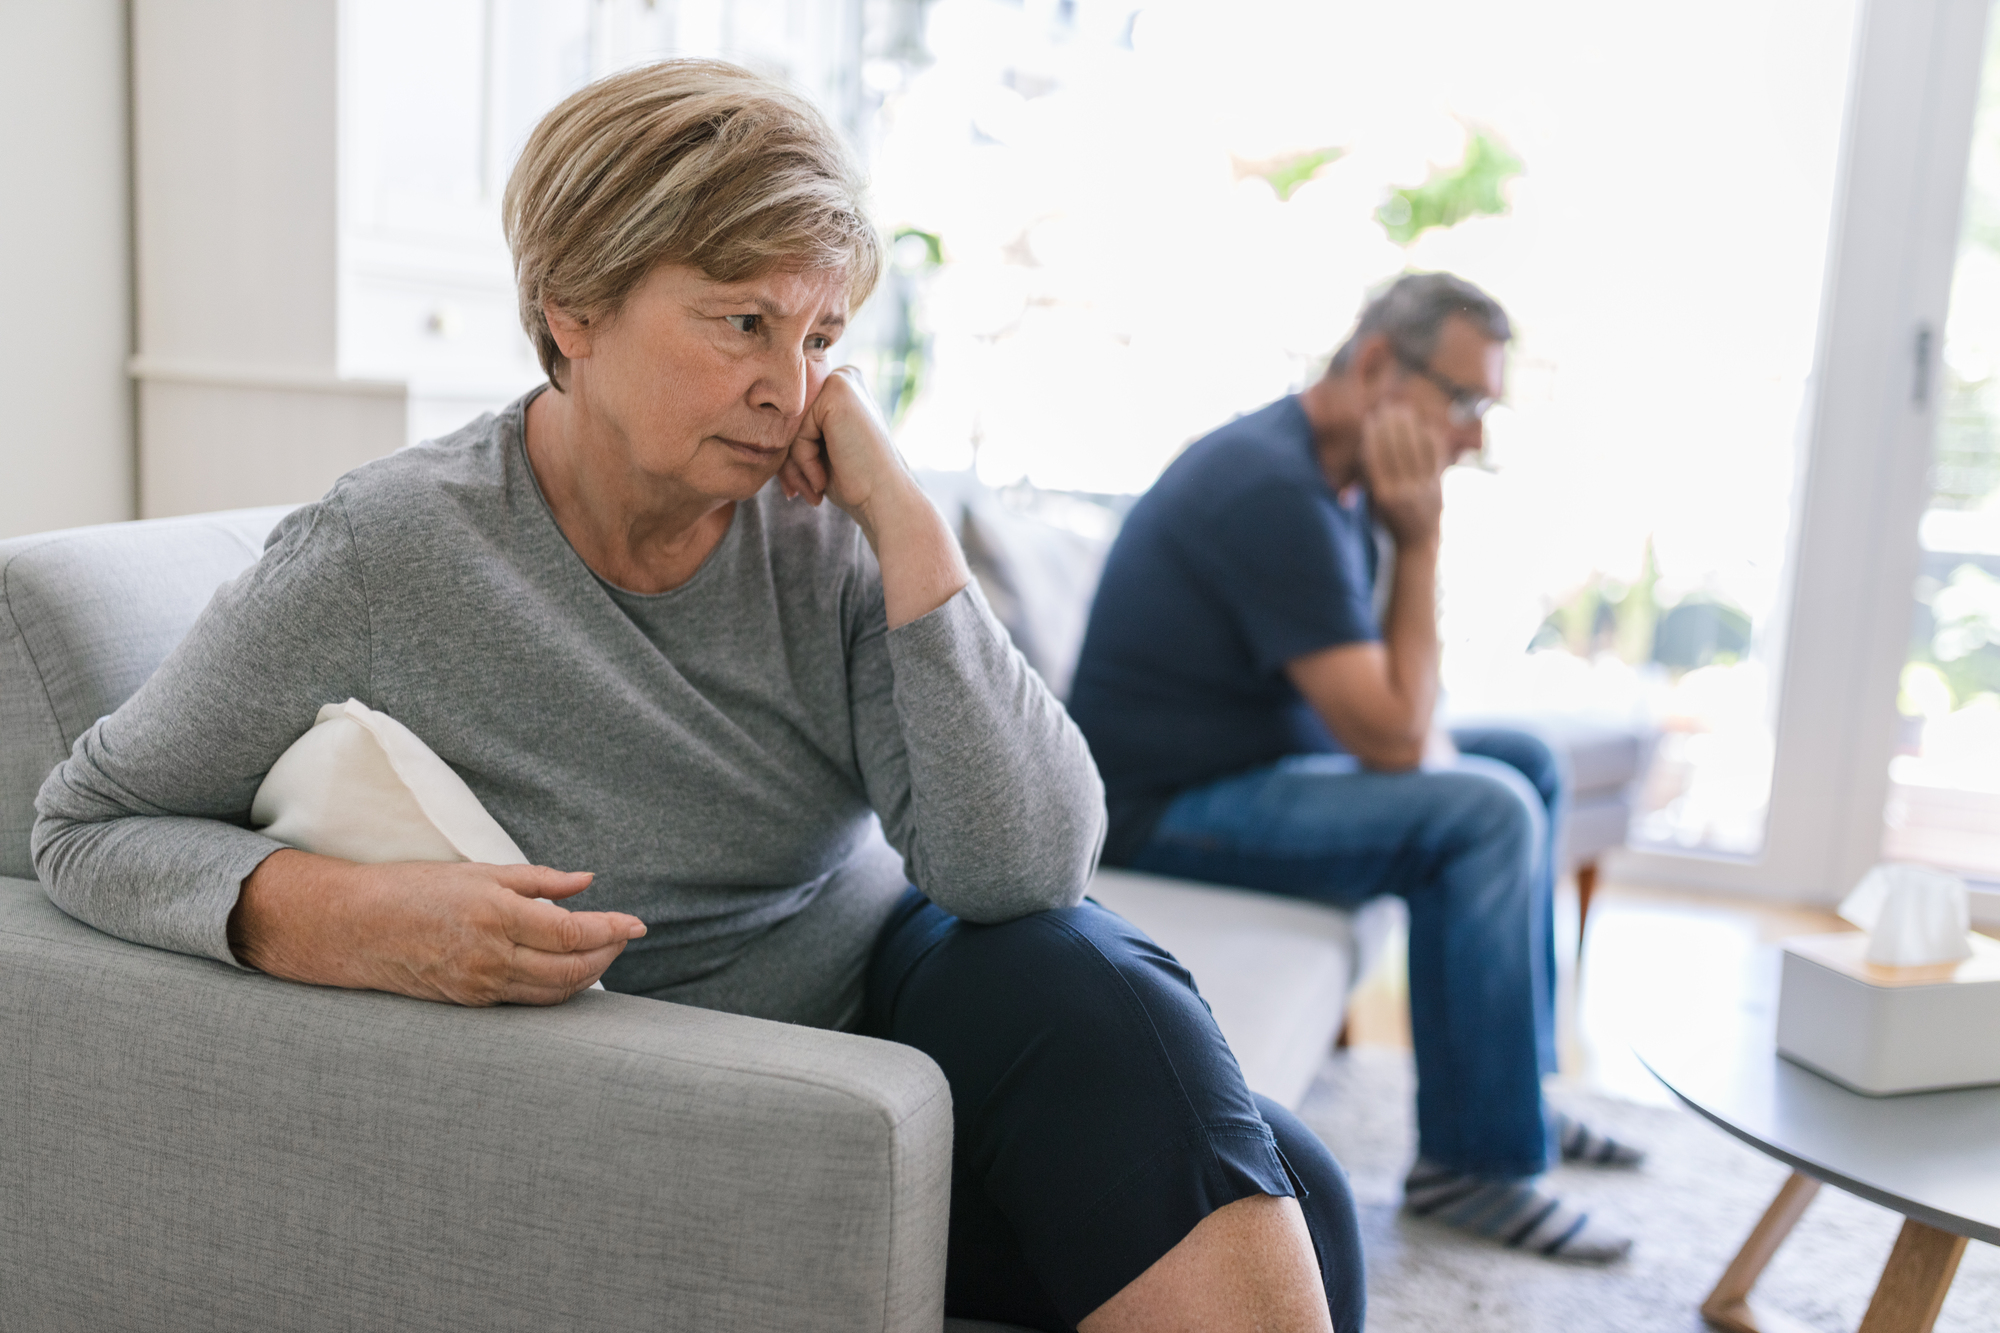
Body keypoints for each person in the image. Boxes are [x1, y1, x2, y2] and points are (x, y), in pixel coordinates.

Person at [32, 61, 1363, 1333]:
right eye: (743, 322)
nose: (788, 389)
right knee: (1241, 1166)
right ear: (574, 309)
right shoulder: (386, 557)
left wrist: (903, 519)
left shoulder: (822, 522)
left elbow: (1022, 867)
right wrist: (343, 916)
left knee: (1269, 1154)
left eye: (821, 335)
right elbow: (85, 824)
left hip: (901, 994)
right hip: (709, 1087)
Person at [1068, 272, 1643, 1265]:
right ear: (1375, 362)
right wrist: (1417, 541)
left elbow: (1399, 721)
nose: (1471, 437)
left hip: (1251, 766)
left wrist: (1393, 528)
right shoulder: (1269, 488)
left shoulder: (1330, 481)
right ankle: (1475, 1165)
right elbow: (1389, 736)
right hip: (1157, 812)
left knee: (1522, 767)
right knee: (1488, 812)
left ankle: (1520, 1102)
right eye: (1461, 400)